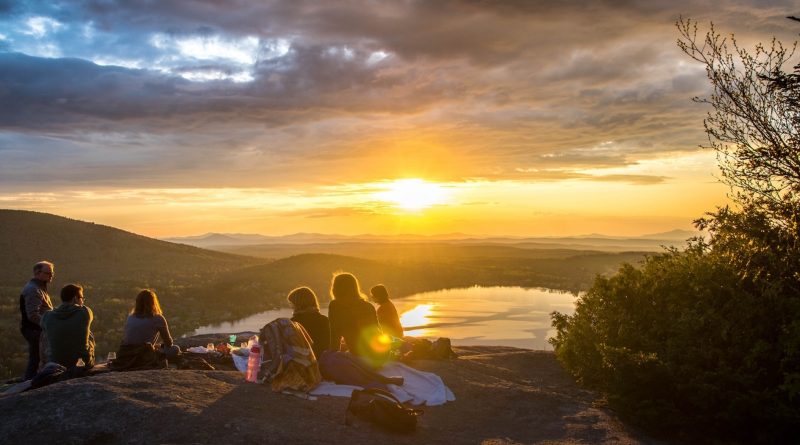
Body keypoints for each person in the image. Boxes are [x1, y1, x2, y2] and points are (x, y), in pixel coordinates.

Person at [328, 273, 387, 363]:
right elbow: (379, 332)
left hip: (360, 355)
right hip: (380, 353)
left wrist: (333, 358)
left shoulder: (335, 306)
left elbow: (335, 337)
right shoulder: (368, 306)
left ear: (336, 289)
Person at [41, 284, 95, 369]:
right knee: (89, 334)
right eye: (81, 298)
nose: (83, 301)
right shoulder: (85, 313)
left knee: (48, 334)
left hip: (55, 364)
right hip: (81, 364)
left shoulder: (47, 316)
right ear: (74, 299)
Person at [19, 261, 55, 379]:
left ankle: (30, 381)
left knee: (37, 358)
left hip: (36, 329)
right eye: (48, 273)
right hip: (35, 330)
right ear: (37, 273)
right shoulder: (33, 290)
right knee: (37, 358)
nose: (51, 275)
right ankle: (30, 383)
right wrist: (48, 325)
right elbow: (33, 315)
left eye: (52, 273)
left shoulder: (39, 287)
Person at [120, 289, 180, 360]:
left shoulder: (130, 317)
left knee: (157, 347)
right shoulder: (158, 318)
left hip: (126, 354)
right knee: (175, 349)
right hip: (144, 355)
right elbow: (168, 343)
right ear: (153, 302)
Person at [287, 287, 330, 359]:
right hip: (325, 363)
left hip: (304, 366)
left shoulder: (293, 323)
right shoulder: (325, 320)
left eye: (292, 304)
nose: (291, 307)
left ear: (298, 304)